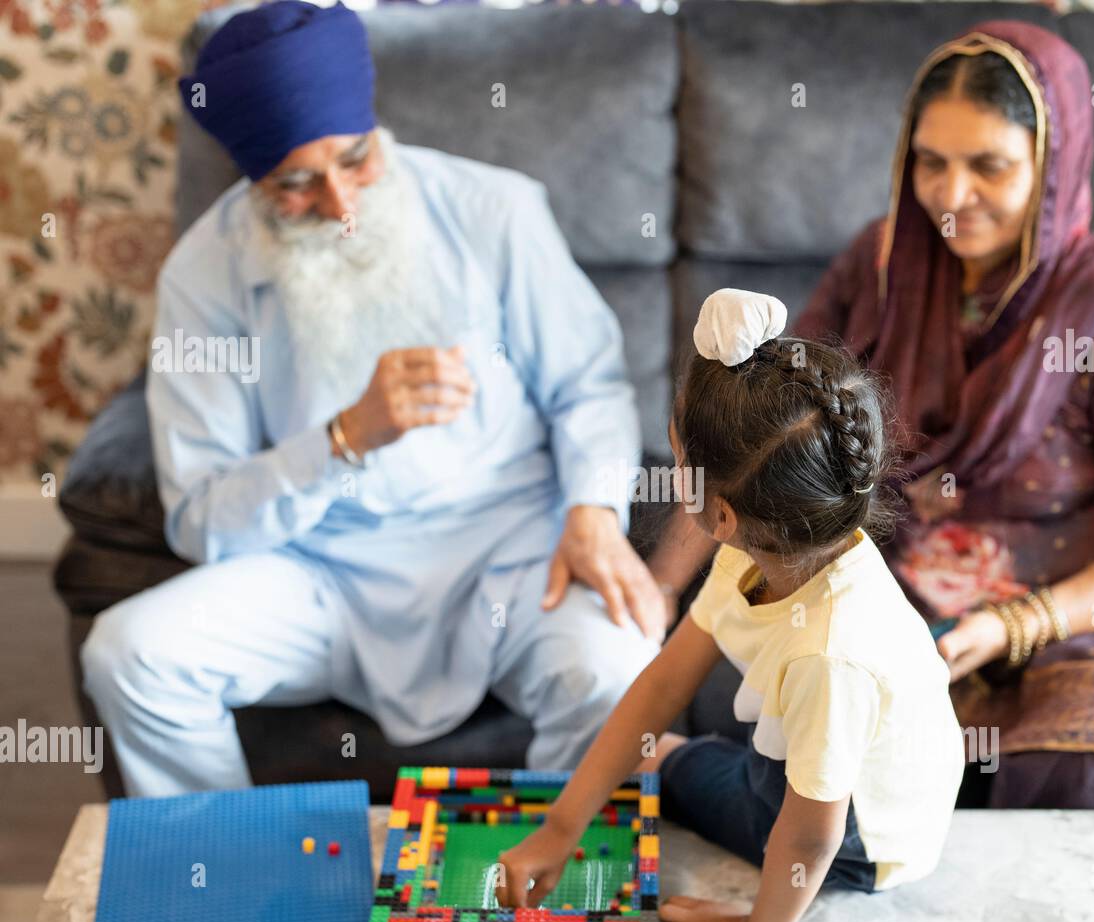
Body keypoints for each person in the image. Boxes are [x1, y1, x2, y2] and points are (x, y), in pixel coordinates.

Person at [648, 21, 1094, 811]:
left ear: (1053, 164)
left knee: (1084, 772)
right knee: (835, 780)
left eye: (990, 166)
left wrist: (1014, 624)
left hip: (1087, 607)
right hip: (907, 588)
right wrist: (661, 585)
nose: (951, 195)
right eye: (930, 162)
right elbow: (756, 429)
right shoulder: (884, 268)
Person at [80, 1, 664, 797]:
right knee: (128, 653)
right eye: (295, 183)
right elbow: (201, 518)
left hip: (509, 548)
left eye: (354, 160)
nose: (341, 205)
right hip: (319, 569)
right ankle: (224, 876)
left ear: (374, 128)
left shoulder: (494, 209)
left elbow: (588, 386)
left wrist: (593, 511)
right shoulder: (202, 275)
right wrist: (343, 438)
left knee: (616, 666)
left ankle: (550, 891)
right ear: (252, 178)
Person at [497, 290, 965, 922]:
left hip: (867, 835)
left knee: (679, 775)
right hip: (810, 761)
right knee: (652, 758)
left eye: (675, 446)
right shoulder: (767, 540)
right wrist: (562, 825)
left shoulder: (828, 658)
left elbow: (810, 840)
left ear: (717, 514)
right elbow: (661, 684)